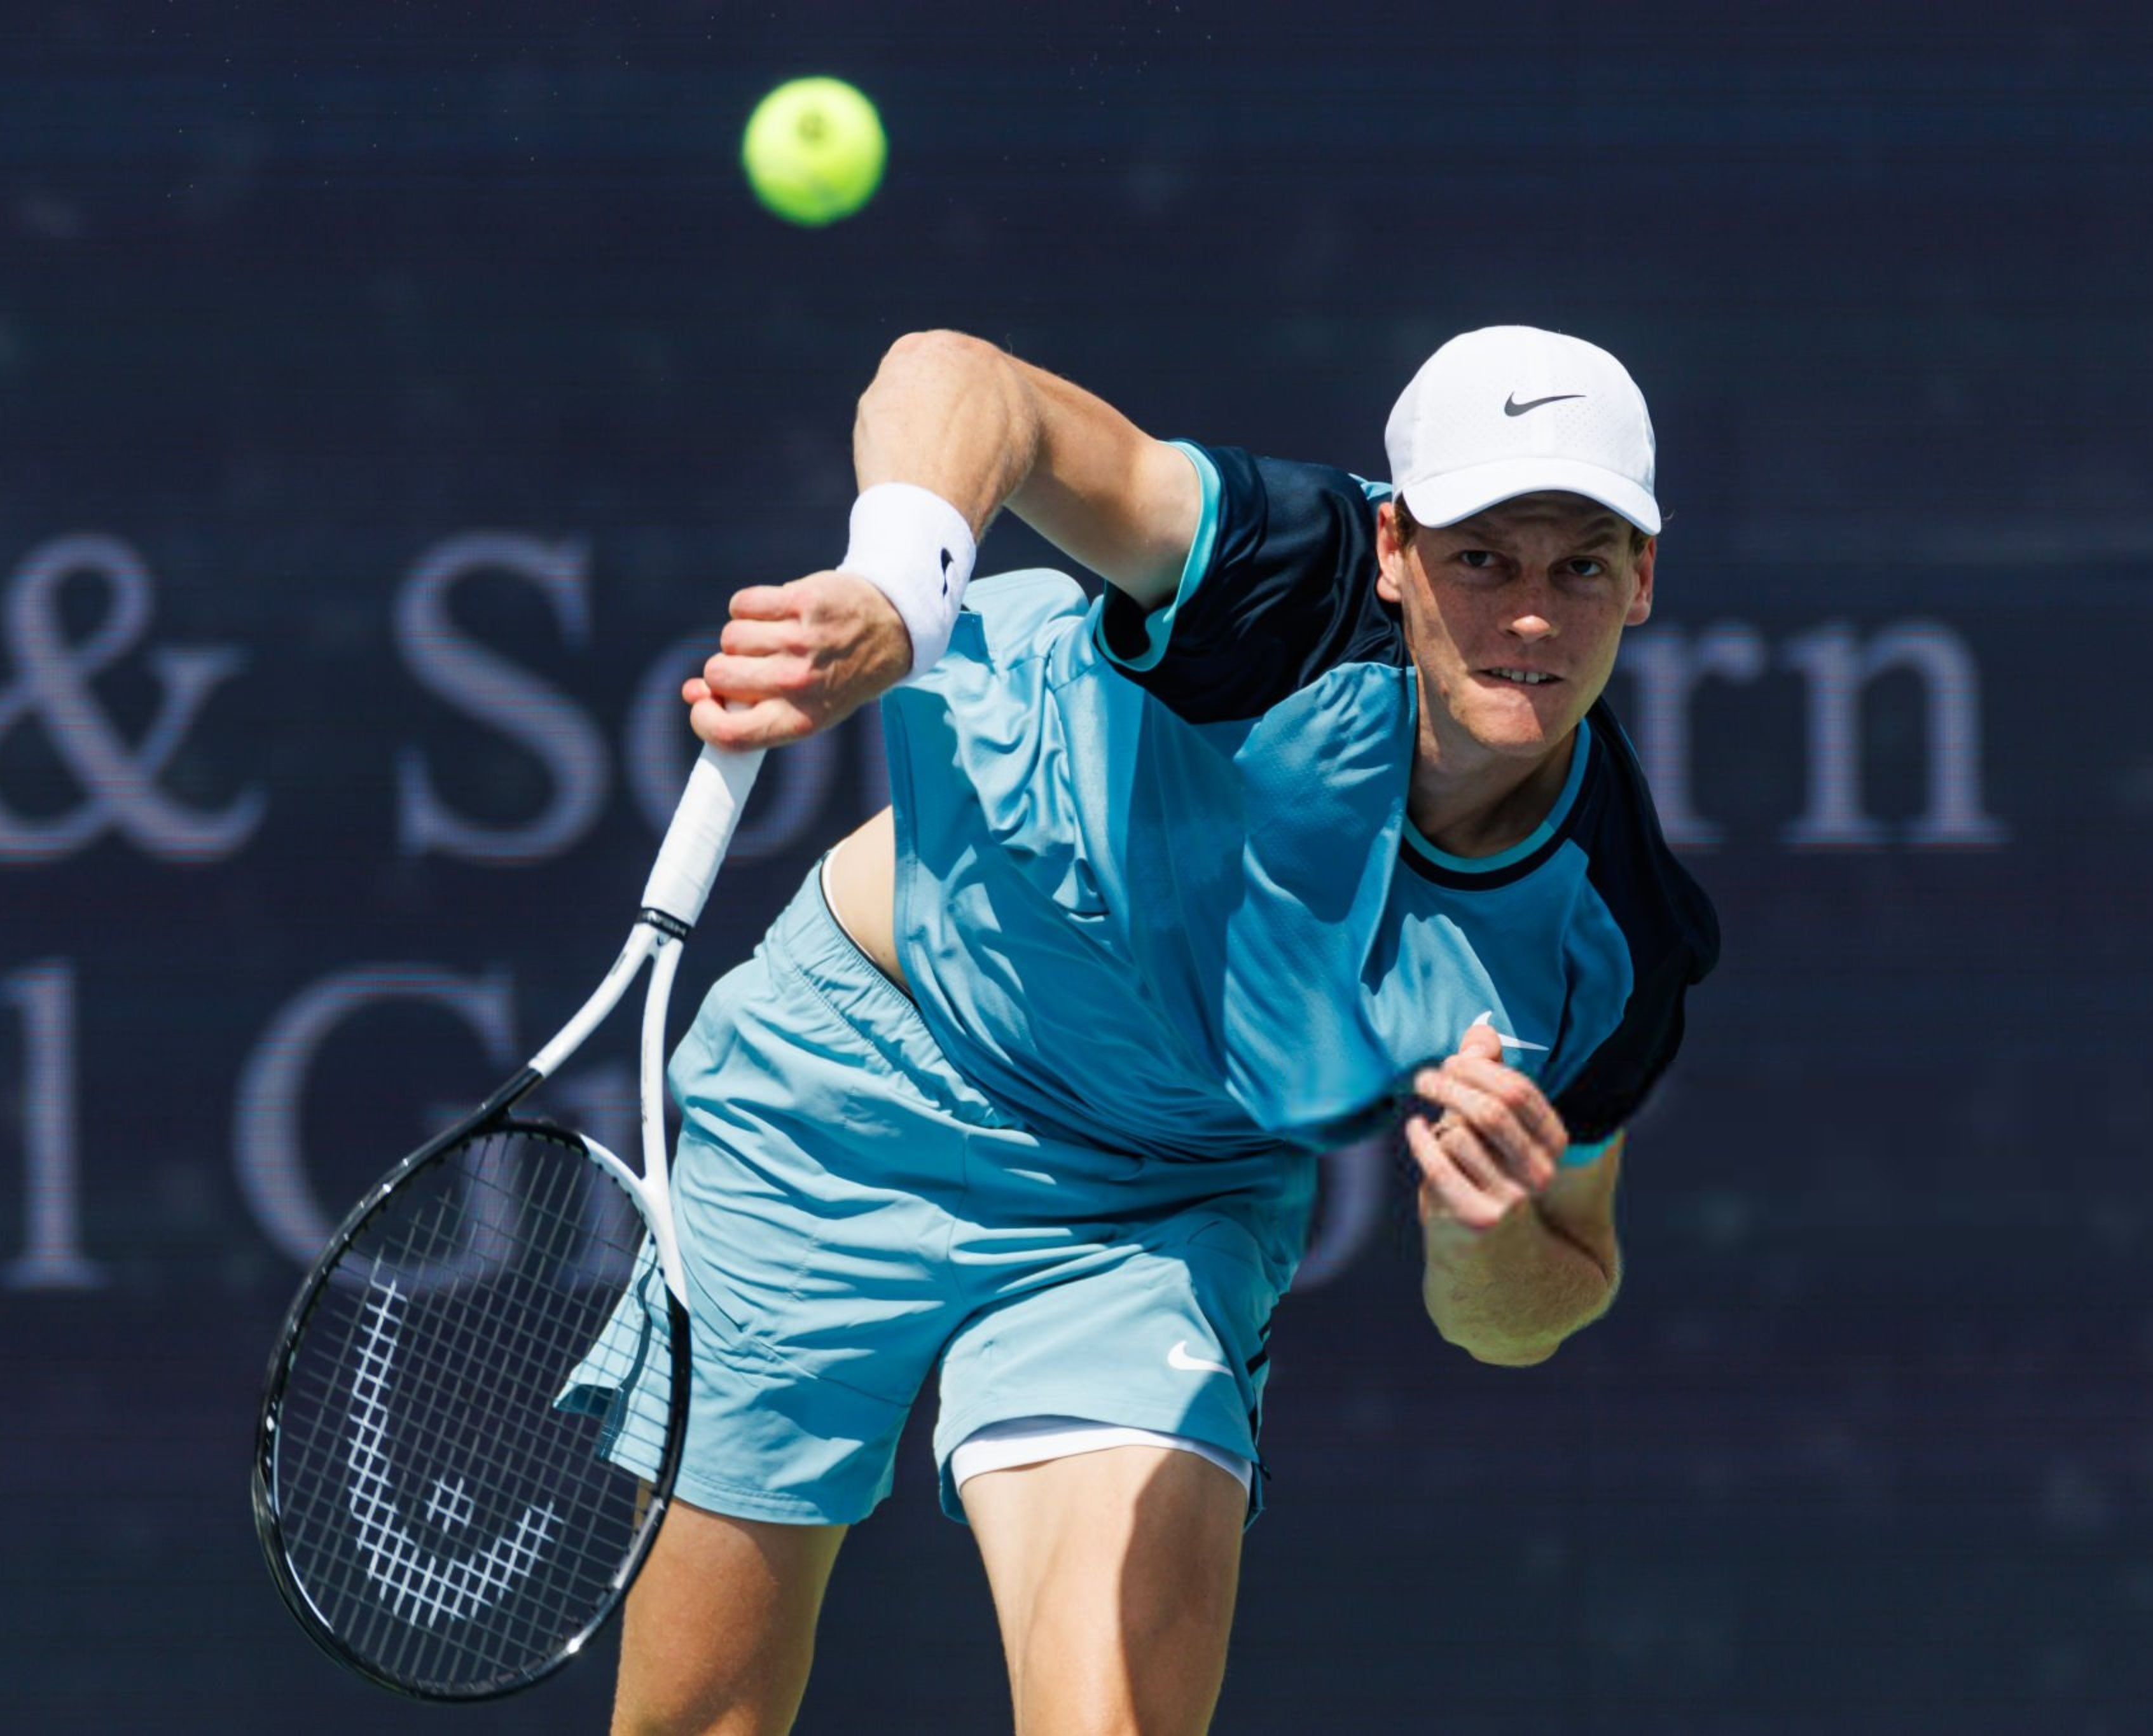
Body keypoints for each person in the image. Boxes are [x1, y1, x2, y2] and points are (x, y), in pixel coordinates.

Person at [587, 324, 1719, 1735]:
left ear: (1642, 580)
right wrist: (897, 587)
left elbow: (1545, 1291)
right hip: (844, 1095)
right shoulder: (1282, 575)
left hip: (1155, 1204)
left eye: (1580, 566)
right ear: (1389, 552)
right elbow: (961, 380)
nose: (1532, 619)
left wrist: (1480, 1238)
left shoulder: (1608, 928)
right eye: (1480, 558)